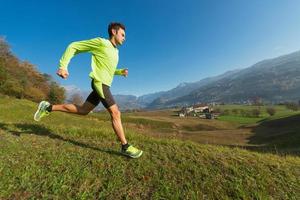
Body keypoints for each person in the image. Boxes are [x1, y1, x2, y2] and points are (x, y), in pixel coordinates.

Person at [34, 22, 143, 158]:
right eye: (122, 34)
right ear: (114, 32)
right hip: (100, 83)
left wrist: (119, 72)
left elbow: (107, 69)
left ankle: (48, 107)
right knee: (116, 113)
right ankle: (125, 146)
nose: (124, 38)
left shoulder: (116, 51)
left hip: (104, 84)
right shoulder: (101, 43)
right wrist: (63, 66)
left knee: (84, 110)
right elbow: (74, 46)